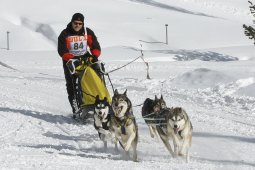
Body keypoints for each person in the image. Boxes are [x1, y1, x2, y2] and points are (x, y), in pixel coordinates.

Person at [58, 13, 101, 114]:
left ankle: (98, 102)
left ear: (83, 24)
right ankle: (76, 106)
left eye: (80, 23)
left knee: (95, 76)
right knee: (72, 83)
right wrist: (70, 58)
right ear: (72, 22)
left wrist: (95, 55)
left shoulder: (87, 32)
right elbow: (62, 50)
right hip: (70, 60)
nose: (77, 25)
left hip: (85, 59)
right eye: (75, 23)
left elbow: (95, 46)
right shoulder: (65, 33)